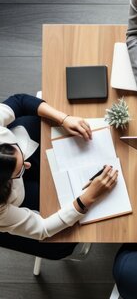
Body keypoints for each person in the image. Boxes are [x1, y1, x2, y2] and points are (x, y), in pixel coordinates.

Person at [0, 94, 118, 259]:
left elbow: (19, 101)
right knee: (60, 243)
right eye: (19, 171)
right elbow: (42, 229)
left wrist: (64, 119)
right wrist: (87, 198)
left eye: (17, 150)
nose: (27, 165)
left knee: (36, 124)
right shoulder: (1, 210)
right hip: (8, 207)